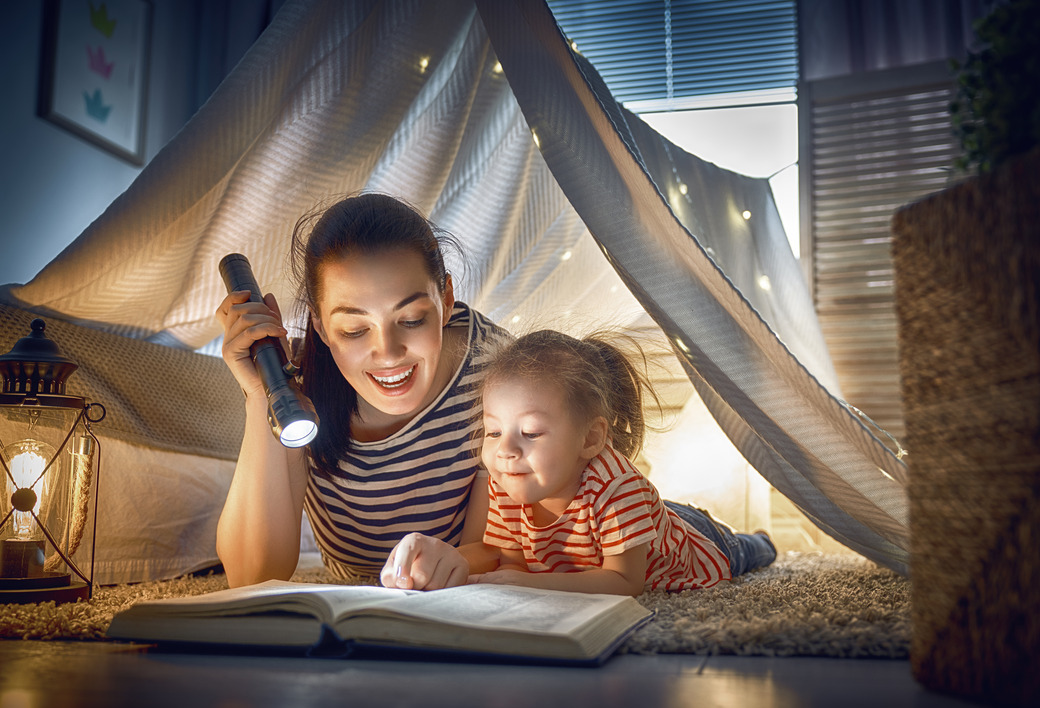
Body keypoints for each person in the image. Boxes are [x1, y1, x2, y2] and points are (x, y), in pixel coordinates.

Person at [214, 192, 508, 587]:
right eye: (353, 329)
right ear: (319, 326)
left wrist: (456, 563)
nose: (388, 354)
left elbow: (498, 551)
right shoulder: (299, 387)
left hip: (453, 587)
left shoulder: (497, 371)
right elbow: (253, 576)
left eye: (412, 319)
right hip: (353, 596)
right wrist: (258, 394)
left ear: (447, 299)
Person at [382, 329, 776, 595]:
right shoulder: (508, 480)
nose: (505, 450)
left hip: (693, 537)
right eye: (493, 431)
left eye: (531, 433)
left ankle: (761, 538)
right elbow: (514, 561)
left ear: (589, 438)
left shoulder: (618, 488)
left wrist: (532, 586)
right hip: (631, 524)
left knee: (746, 552)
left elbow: (625, 582)